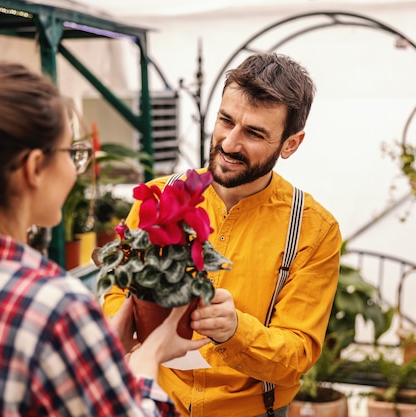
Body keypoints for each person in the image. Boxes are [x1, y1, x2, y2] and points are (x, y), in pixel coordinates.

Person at [0, 61, 209, 416]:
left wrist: (101, 347)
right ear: (34, 167)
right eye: (72, 153)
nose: (75, 167)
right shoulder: (54, 307)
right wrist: (149, 355)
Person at [102, 52, 342, 417]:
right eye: (225, 121)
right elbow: (119, 293)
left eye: (254, 133)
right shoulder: (157, 197)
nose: (229, 143)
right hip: (156, 399)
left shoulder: (313, 229)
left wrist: (236, 330)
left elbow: (298, 353)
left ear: (290, 144)